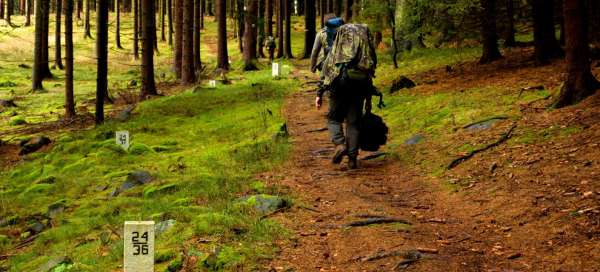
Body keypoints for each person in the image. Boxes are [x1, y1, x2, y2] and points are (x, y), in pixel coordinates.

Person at [315, 23, 377, 169]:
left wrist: (319, 93)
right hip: (360, 86)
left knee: (334, 119)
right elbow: (370, 74)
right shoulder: (366, 53)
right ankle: (352, 159)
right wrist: (368, 99)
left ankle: (339, 144)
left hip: (339, 86)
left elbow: (327, 70)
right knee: (353, 123)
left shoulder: (337, 49)